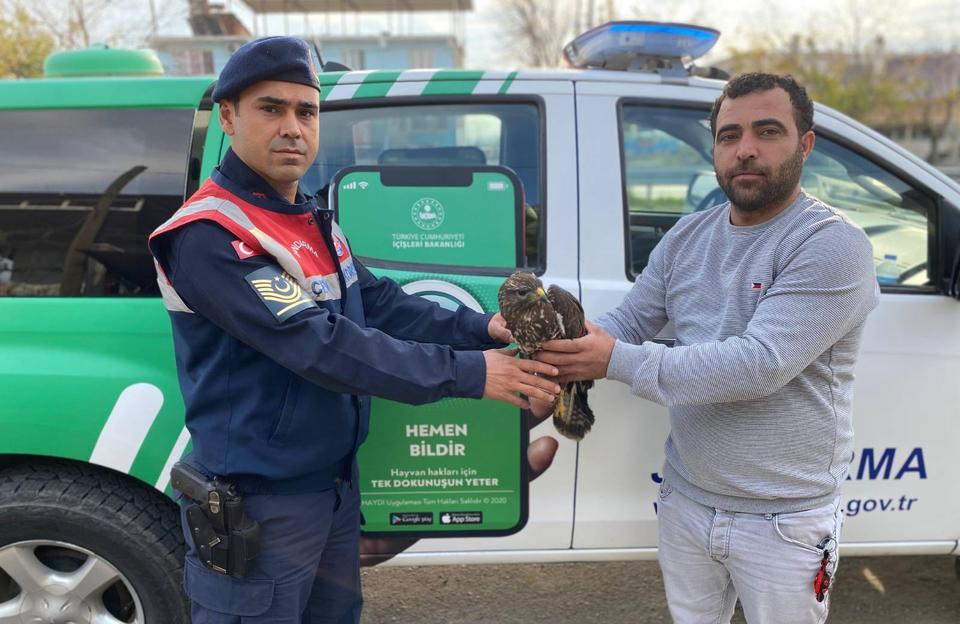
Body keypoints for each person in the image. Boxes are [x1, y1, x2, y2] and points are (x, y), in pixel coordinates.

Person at [148, 36, 560, 623]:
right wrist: (471, 374)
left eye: (306, 111)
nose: (293, 127)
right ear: (229, 117)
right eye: (272, 108)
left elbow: (379, 303)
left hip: (331, 492)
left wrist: (484, 328)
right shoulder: (211, 233)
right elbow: (318, 344)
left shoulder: (307, 215)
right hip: (260, 505)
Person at [534, 73, 880, 623]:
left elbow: (758, 365)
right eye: (728, 135)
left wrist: (613, 360)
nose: (745, 150)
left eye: (768, 131)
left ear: (806, 144)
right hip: (687, 499)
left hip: (783, 520)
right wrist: (561, 353)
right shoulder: (689, 235)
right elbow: (630, 320)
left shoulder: (831, 244)